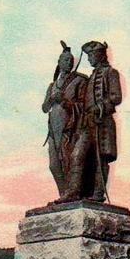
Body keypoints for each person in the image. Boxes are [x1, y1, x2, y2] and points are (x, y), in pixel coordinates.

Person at [59, 40, 122, 202]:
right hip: (87, 124)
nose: (88, 60)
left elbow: (116, 97)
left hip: (102, 124)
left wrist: (100, 107)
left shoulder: (111, 73)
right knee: (77, 155)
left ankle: (98, 194)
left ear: (99, 55)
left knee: (100, 159)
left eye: (91, 56)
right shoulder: (91, 76)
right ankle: (73, 192)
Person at [42, 41, 88, 199]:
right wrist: (52, 99)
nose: (69, 63)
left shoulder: (79, 81)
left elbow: (83, 105)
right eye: (66, 60)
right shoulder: (52, 85)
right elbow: (44, 108)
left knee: (68, 161)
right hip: (53, 130)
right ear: (59, 62)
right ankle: (63, 195)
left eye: (71, 61)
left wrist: (65, 101)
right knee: (54, 165)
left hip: (70, 127)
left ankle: (71, 195)